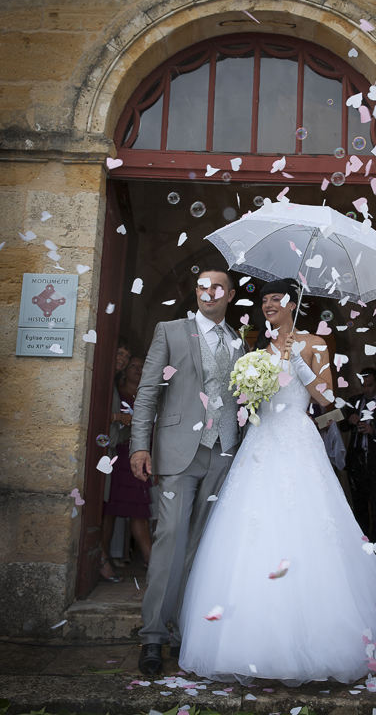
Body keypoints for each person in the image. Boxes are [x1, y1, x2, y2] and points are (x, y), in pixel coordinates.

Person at [178, 279, 376, 685]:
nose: (267, 305)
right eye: (263, 300)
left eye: (275, 299)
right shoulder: (257, 352)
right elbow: (251, 403)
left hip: (298, 438)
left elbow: (326, 400)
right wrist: (248, 390)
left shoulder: (315, 343)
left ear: (292, 304)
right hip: (262, 441)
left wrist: (299, 363)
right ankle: (246, 643)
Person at [130, 268, 248, 675]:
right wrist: (140, 445)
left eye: (216, 287)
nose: (207, 292)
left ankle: (185, 633)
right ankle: (152, 637)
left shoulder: (239, 340)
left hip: (224, 452)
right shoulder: (170, 331)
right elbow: (148, 391)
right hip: (179, 451)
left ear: (230, 294)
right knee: (170, 540)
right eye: (202, 286)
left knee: (202, 547)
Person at [102, 356, 153, 569]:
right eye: (134, 365)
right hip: (118, 455)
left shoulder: (148, 396)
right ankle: (101, 559)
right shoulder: (115, 391)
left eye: (142, 366)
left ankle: (152, 562)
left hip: (140, 457)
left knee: (138, 511)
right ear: (125, 370)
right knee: (109, 510)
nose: (138, 369)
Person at [339, 368, 376, 545]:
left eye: (370, 385)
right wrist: (349, 420)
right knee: (359, 508)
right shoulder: (354, 401)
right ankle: (362, 549)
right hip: (356, 462)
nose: (367, 390)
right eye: (363, 386)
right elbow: (342, 427)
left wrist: (373, 430)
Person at [99, 336, 131, 582]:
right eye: (120, 354)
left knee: (107, 510)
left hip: (111, 450)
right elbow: (98, 412)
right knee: (101, 509)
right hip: (100, 454)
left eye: (126, 356)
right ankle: (101, 559)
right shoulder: (100, 379)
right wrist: (119, 419)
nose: (123, 359)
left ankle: (104, 557)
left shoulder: (112, 382)